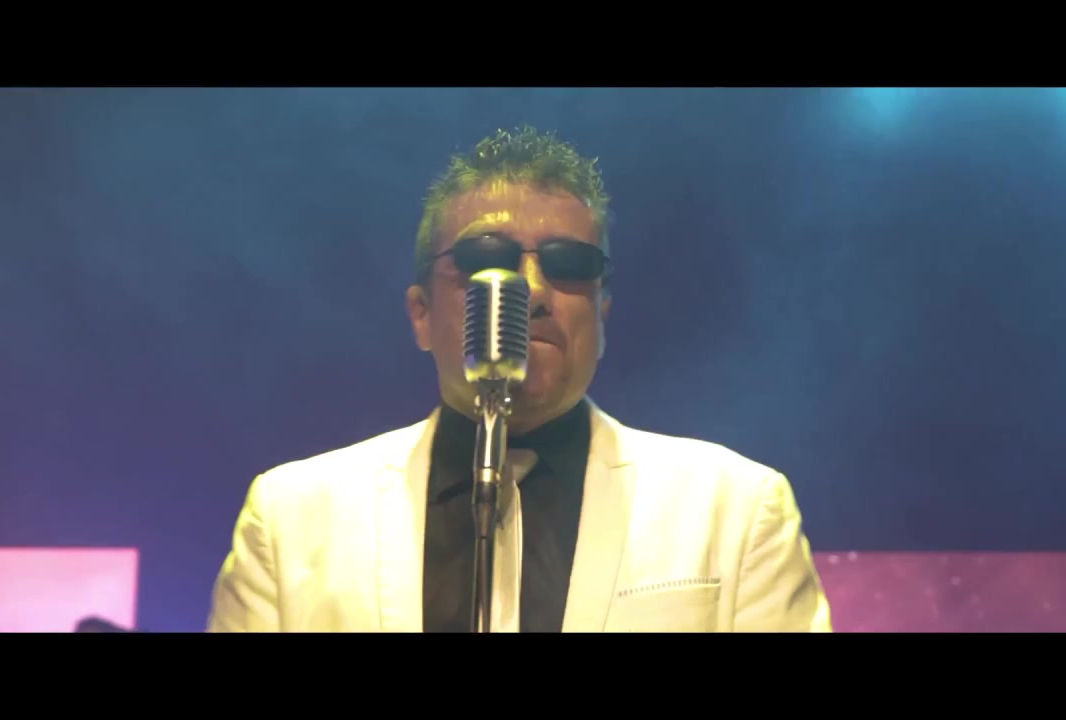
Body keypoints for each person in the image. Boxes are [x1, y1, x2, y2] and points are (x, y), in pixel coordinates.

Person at [207, 126, 831, 632]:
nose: (528, 290)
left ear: (602, 315)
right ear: (421, 314)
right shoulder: (290, 519)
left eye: (569, 264)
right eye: (487, 258)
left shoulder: (735, 509)